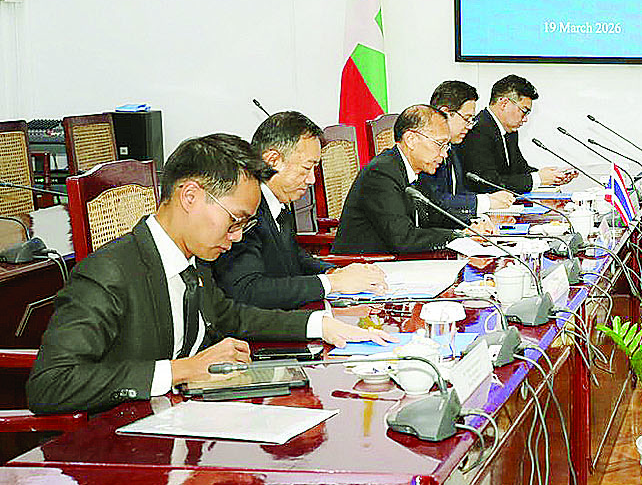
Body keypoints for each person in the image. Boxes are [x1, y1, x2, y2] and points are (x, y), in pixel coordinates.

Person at [27, 134, 388, 415]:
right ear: (190, 196)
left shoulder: (195, 259)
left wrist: (320, 325)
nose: (236, 238)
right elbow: (50, 384)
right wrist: (181, 370)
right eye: (235, 221)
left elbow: (230, 316)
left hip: (190, 423)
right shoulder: (109, 272)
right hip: (127, 451)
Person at [211, 111, 386, 308]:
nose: (312, 180)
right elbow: (249, 290)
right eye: (306, 168)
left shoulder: (278, 200)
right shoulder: (244, 211)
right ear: (272, 160)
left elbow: (293, 255)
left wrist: (332, 272)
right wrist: (331, 283)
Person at [332, 105, 494, 255]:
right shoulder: (381, 174)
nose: (444, 154)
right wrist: (457, 235)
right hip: (363, 265)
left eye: (446, 146)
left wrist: (472, 224)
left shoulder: (417, 169)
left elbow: (436, 214)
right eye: (440, 144)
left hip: (395, 261)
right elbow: (403, 238)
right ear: (410, 139)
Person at [458, 75, 574, 195]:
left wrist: (552, 176)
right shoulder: (478, 131)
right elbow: (488, 183)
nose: (525, 119)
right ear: (504, 103)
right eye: (524, 111)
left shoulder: (510, 132)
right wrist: (538, 178)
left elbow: (520, 170)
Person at [416, 80, 514, 222]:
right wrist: (484, 202)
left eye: (471, 120)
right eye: (467, 119)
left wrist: (487, 207)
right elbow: (435, 201)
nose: (469, 126)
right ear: (445, 113)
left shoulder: (453, 147)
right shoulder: (425, 150)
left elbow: (458, 192)